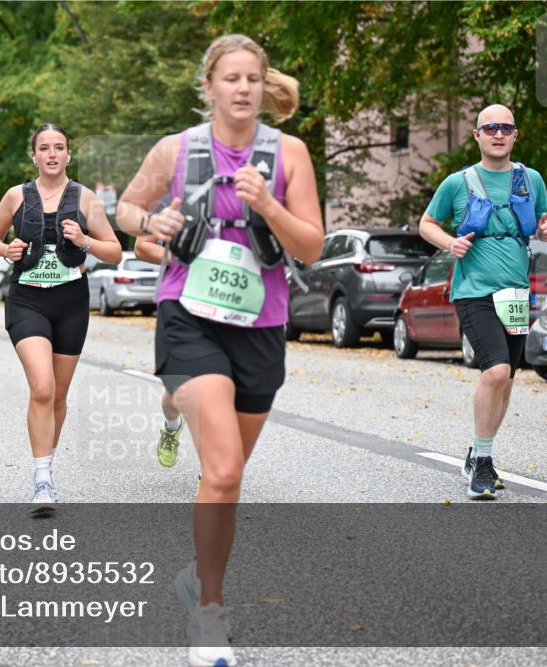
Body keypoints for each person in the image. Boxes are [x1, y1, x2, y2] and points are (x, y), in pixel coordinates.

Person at [116, 35, 324, 667]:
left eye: (252, 79)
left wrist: (267, 204)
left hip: (261, 327)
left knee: (221, 481)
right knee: (226, 470)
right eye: (230, 78)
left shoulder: (289, 154)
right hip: (189, 319)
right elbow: (125, 207)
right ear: (208, 87)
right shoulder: (175, 150)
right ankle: (209, 610)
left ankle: (197, 577)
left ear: (265, 86)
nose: (242, 89)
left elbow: (311, 246)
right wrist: (148, 223)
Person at [418, 104, 547, 500]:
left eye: (506, 128)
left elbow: (546, 223)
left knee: (507, 380)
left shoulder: (530, 179)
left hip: (514, 293)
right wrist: (450, 243)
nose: (498, 134)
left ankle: (481, 453)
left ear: (515, 135)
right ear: (477, 135)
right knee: (495, 372)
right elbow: (427, 224)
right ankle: (481, 464)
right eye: (490, 128)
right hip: (474, 290)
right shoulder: (458, 183)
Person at [0, 123, 122, 509]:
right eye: (44, 148)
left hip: (71, 302)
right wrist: (4, 250)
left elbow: (114, 252)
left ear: (68, 154)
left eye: (59, 147)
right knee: (42, 388)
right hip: (27, 300)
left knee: (58, 395)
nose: (52, 154)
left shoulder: (86, 198)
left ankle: (48, 466)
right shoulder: (16, 195)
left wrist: (84, 241)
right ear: (34, 155)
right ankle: (41, 479)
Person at [133, 228, 186, 469]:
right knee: (176, 390)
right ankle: (172, 426)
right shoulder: (169, 194)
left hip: (230, 300)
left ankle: (212, 478)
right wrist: (192, 261)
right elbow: (143, 246)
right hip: (181, 300)